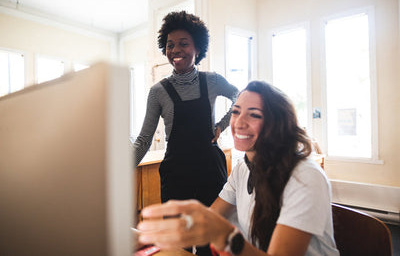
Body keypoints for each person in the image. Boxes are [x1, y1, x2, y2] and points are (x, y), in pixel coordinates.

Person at [136, 81, 340, 256]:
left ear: (276, 125)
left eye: (254, 115)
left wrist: (226, 236)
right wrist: (146, 236)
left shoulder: (306, 177)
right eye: (236, 112)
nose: (239, 122)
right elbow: (210, 217)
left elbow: (217, 228)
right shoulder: (243, 169)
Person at [133, 11, 238, 255]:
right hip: (176, 172)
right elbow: (143, 139)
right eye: (170, 45)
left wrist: (222, 124)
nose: (175, 50)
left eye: (183, 44)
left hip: (210, 170)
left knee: (208, 240)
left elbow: (239, 96)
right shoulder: (158, 92)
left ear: (198, 49)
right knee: (177, 239)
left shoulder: (212, 81)